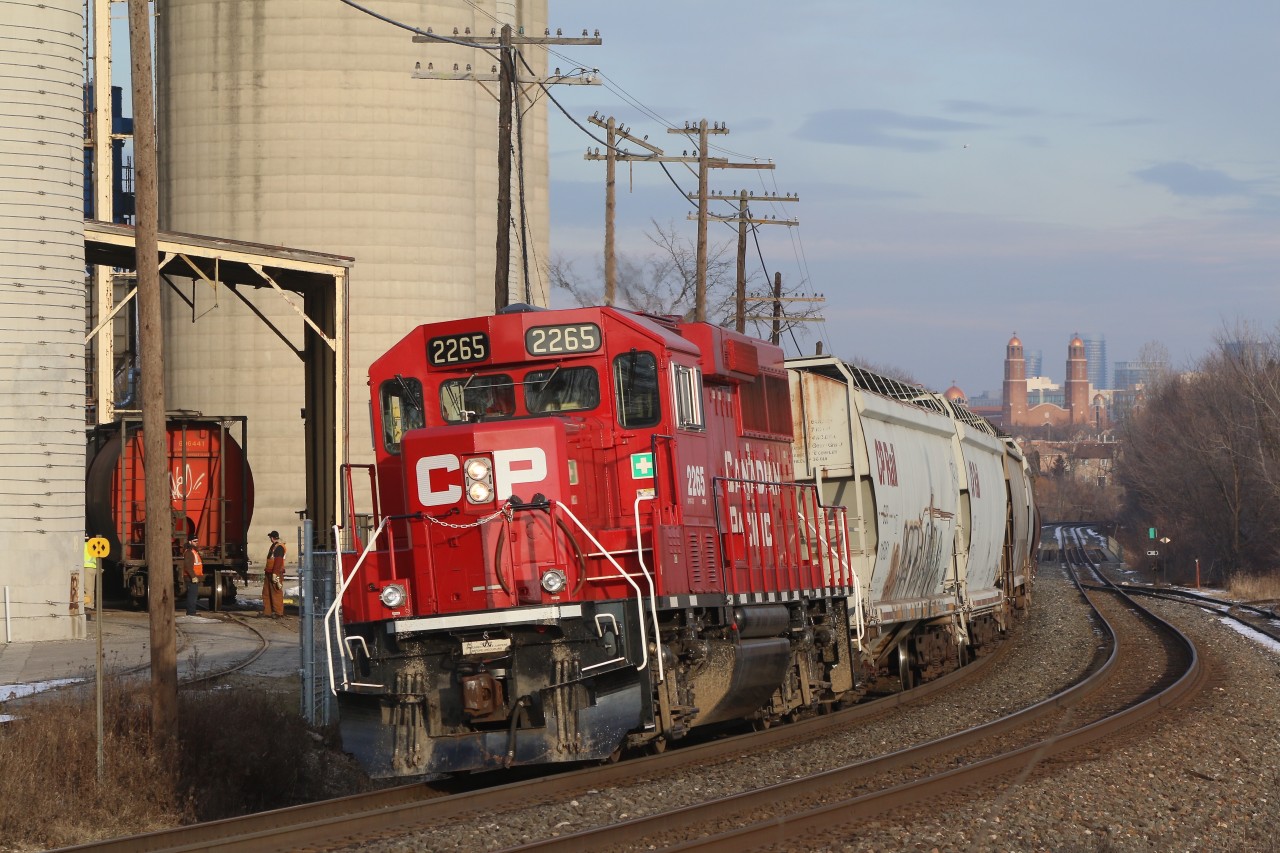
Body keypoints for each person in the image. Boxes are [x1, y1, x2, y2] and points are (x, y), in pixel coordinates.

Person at [263, 530, 286, 618]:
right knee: (266, 592)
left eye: (270, 537)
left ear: (272, 538)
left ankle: (278, 613)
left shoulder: (279, 547)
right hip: (269, 571)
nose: (270, 539)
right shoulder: (274, 546)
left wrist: (275, 574)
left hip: (275, 572)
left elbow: (278, 561)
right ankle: (267, 612)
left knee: (276, 592)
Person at [182, 537, 203, 617]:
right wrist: (193, 576)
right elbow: (188, 566)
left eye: (197, 541)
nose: (196, 542)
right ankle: (191, 612)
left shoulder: (193, 551)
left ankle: (192, 611)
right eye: (194, 541)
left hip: (193, 577)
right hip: (191, 578)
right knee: (192, 595)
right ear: (190, 542)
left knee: (193, 595)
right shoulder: (189, 552)